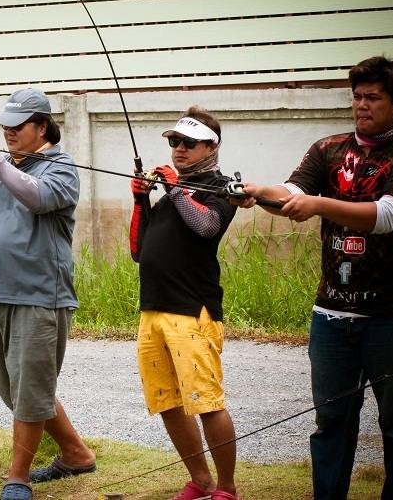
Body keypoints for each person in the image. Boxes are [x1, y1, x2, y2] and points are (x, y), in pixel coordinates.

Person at [233, 56, 393, 500]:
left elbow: (388, 215)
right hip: (331, 314)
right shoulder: (326, 148)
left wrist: (318, 205)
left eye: (372, 97)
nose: (361, 105)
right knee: (331, 420)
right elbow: (293, 194)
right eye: (356, 96)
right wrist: (260, 193)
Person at [0, 88, 96, 500]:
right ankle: (76, 453)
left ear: (43, 126)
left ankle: (18, 478)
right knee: (16, 387)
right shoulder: (4, 171)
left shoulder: (61, 169)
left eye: (18, 125)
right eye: (5, 125)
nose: (8, 132)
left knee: (31, 388)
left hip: (38, 295)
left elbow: (38, 197)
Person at [128, 107, 240, 500]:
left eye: (188, 143)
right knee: (168, 403)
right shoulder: (170, 195)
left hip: (194, 311)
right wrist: (142, 201)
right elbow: (139, 251)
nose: (179, 149)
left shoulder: (222, 189)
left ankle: (226, 487)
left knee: (207, 403)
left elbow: (207, 226)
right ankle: (200, 479)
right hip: (153, 309)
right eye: (175, 141)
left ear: (212, 146)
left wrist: (175, 189)